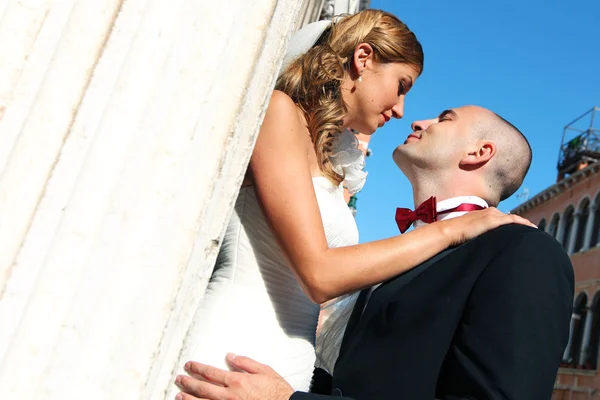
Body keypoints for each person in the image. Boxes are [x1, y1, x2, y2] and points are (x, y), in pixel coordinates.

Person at [187, 9, 533, 392]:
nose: (403, 111)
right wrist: (451, 230)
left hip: (289, 368)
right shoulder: (279, 111)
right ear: (363, 58)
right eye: (401, 85)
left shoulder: (337, 162)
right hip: (235, 353)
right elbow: (320, 274)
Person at [174, 106, 574, 400]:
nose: (418, 121)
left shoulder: (523, 252)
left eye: (445, 118)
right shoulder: (401, 253)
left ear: (479, 153)